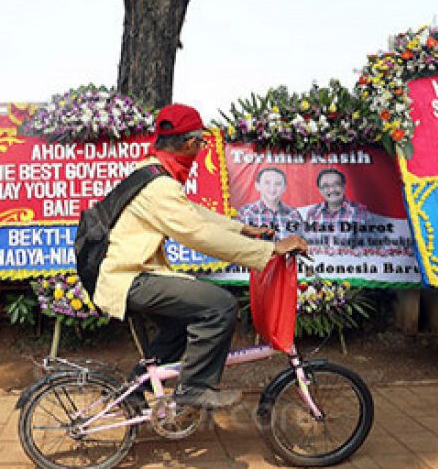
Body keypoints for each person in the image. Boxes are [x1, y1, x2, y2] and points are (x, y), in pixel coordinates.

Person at [92, 103, 308, 409]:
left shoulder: (150, 173)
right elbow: (198, 234)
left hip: (127, 275)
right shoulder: (159, 185)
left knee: (183, 319)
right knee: (219, 306)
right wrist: (271, 248)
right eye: (201, 143)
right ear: (191, 143)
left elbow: (193, 213)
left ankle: (132, 392)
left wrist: (243, 229)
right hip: (129, 279)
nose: (200, 149)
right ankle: (194, 387)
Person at [303, 168, 369, 248]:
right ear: (320, 190)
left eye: (336, 184)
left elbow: (369, 245)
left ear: (344, 186)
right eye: (325, 186)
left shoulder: (360, 211)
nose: (332, 189)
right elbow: (309, 244)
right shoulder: (312, 212)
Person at [235, 167, 304, 239]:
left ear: (284, 188)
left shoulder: (294, 214)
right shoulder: (244, 214)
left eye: (278, 184)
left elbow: (301, 245)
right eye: (267, 183)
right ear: (257, 186)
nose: (272, 188)